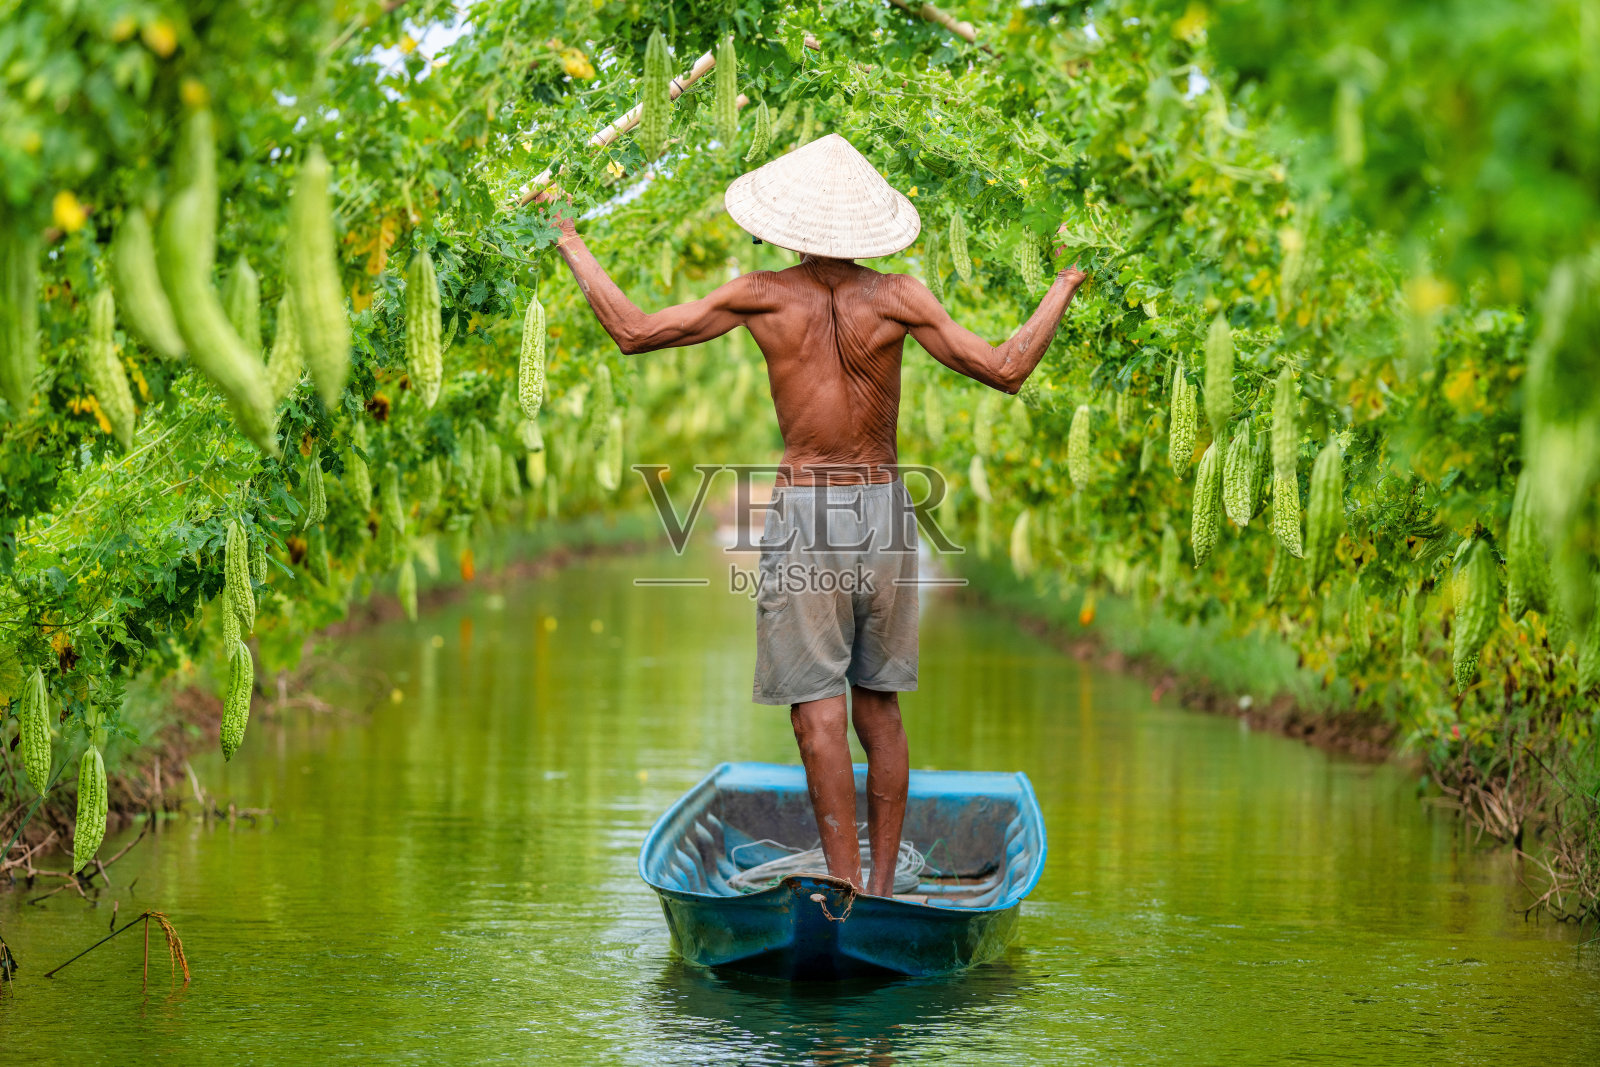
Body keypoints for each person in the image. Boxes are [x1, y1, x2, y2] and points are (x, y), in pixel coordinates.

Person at [553, 133, 1087, 895]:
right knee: (879, 705)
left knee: (817, 714)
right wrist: (1065, 281)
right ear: (867, 231)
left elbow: (634, 331)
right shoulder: (899, 295)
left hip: (808, 510)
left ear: (790, 227)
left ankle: (842, 887)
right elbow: (1006, 367)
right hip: (885, 513)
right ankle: (877, 888)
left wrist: (570, 239)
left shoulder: (761, 293)